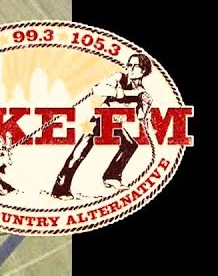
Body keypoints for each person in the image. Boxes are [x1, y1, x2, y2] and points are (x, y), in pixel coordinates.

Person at [51, 54, 153, 198]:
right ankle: (60, 188)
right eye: (129, 65)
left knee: (130, 145)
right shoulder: (119, 78)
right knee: (80, 151)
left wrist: (146, 106)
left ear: (143, 70)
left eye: (134, 66)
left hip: (113, 123)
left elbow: (141, 117)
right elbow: (97, 89)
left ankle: (112, 176)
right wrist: (123, 92)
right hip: (100, 118)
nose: (129, 68)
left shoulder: (142, 92)